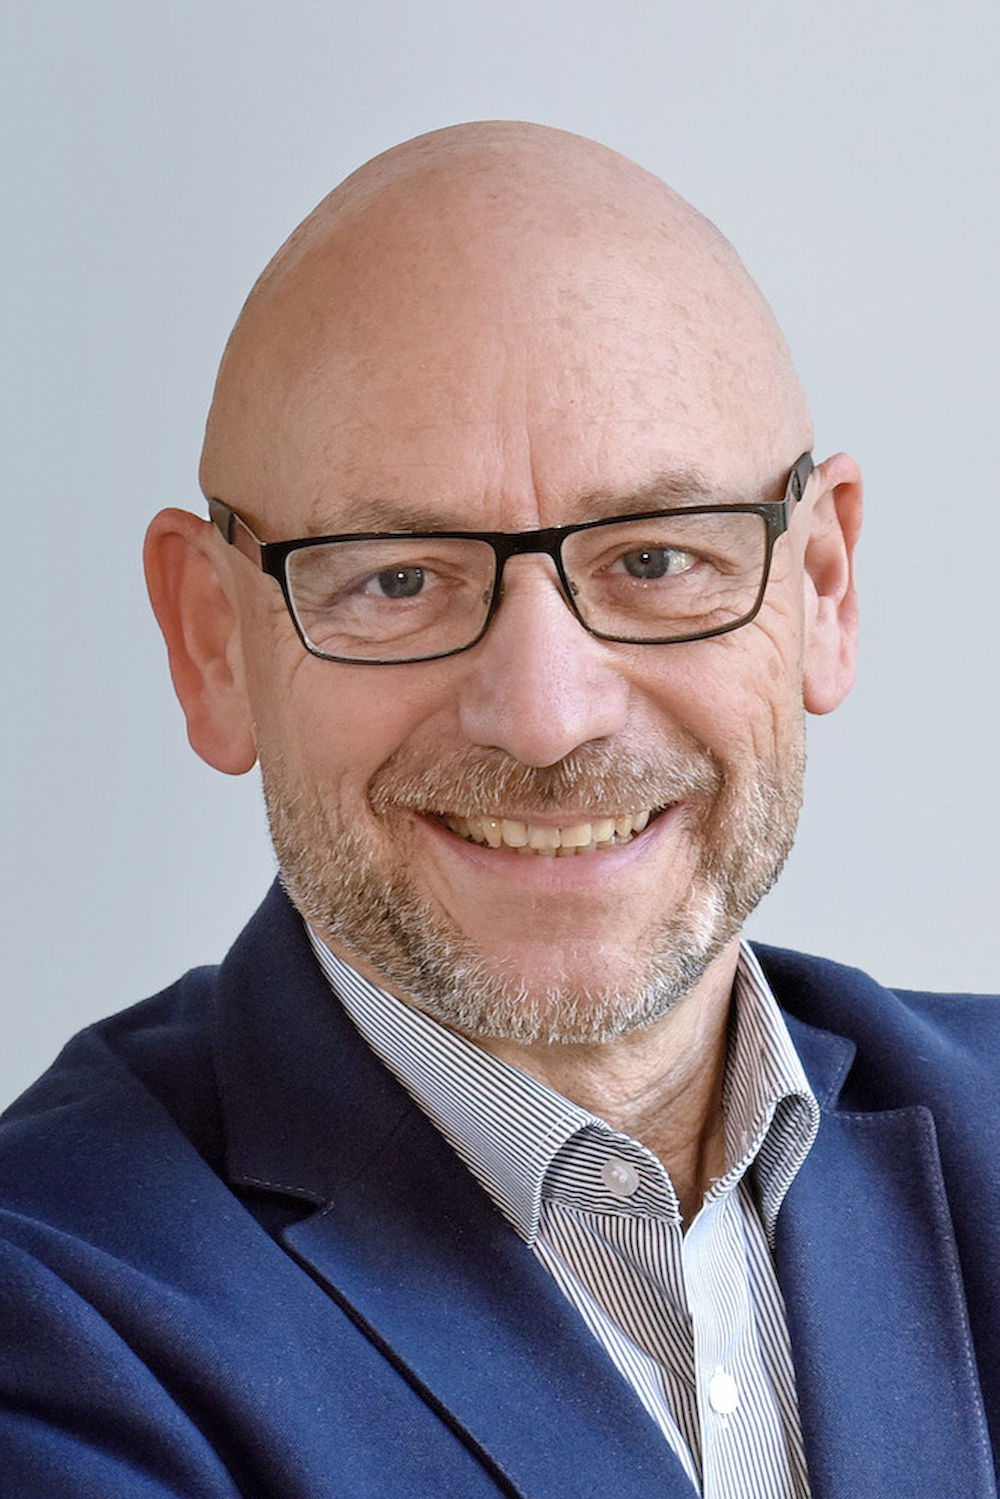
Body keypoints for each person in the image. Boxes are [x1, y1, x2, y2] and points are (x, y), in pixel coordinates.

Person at [0, 122, 996, 1499]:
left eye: (657, 559)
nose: (545, 715)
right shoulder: (50, 1313)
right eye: (398, 579)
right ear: (213, 643)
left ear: (822, 589)